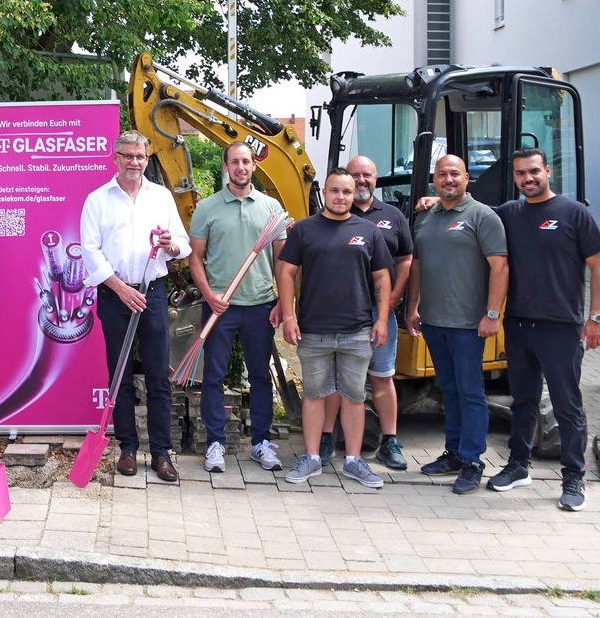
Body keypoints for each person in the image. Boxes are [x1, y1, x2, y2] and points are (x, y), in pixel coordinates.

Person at [488, 148, 600, 511]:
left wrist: (596, 317)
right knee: (522, 401)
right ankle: (518, 466)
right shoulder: (509, 213)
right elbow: (471, 212)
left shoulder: (575, 214)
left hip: (561, 326)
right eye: (521, 173)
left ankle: (573, 478)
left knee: (567, 406)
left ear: (548, 171)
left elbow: (599, 266)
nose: (528, 178)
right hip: (520, 324)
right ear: (515, 177)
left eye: (534, 171)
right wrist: (433, 199)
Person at [80, 131, 190, 482]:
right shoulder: (97, 200)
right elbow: (89, 251)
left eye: (140, 157)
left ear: (146, 158)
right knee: (119, 375)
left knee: (159, 376)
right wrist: (119, 287)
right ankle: (127, 447)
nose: (134, 162)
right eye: (127, 156)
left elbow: (184, 246)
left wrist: (172, 245)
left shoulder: (161, 197)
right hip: (115, 295)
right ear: (115, 158)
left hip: (153, 293)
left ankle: (161, 453)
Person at [277, 168, 392, 489]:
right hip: (313, 331)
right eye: (334, 191)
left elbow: (382, 277)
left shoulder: (369, 231)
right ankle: (312, 457)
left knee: (354, 397)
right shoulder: (305, 230)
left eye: (346, 191)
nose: (340, 197)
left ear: (354, 194)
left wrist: (382, 320)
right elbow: (286, 273)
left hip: (357, 331)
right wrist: (289, 316)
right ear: (324, 194)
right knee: (314, 395)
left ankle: (354, 462)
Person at [407, 154, 508, 495]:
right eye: (441, 175)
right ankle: (453, 453)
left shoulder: (483, 217)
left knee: (470, 392)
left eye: (454, 174)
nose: (448, 179)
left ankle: (473, 461)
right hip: (434, 321)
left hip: (469, 324)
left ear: (467, 177)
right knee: (448, 391)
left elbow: (500, 268)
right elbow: (418, 265)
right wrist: (415, 307)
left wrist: (492, 314)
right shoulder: (427, 217)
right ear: (433, 180)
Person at [188, 142, 286, 473]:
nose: (241, 167)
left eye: (246, 161)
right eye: (235, 162)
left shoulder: (272, 208)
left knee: (260, 375)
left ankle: (261, 442)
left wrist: (284, 305)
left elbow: (282, 263)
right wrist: (208, 294)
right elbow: (194, 258)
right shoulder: (208, 208)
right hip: (221, 307)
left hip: (261, 306)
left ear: (254, 166)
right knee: (213, 376)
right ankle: (216, 442)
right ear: (225, 166)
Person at [320, 156, 414, 471]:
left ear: (376, 179)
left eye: (367, 175)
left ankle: (390, 441)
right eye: (355, 175)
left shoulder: (392, 216)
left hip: (378, 311)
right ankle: (325, 437)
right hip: (340, 310)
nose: (361, 181)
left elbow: (405, 260)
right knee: (335, 379)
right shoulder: (332, 214)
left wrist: (394, 297)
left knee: (382, 376)